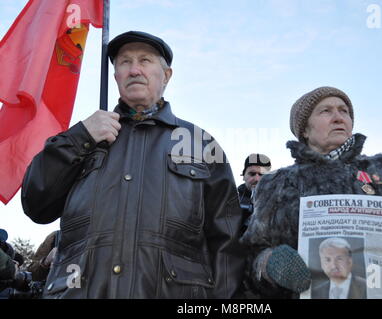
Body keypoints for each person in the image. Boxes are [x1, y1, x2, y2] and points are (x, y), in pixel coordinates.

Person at [21, 31, 245, 298]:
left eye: (145, 60)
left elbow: (227, 243)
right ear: (115, 75)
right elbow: (36, 204)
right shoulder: (84, 137)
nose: (134, 70)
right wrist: (79, 136)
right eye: (124, 62)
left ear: (167, 75)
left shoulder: (201, 144)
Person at [240, 86, 382, 298]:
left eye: (344, 111)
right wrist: (268, 264)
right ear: (304, 129)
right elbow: (251, 254)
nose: (339, 118)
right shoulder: (277, 183)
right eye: (326, 111)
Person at [238, 153, 271, 234]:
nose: (257, 179)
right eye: (252, 174)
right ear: (243, 176)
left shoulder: (279, 203)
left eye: (261, 175)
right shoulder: (230, 202)